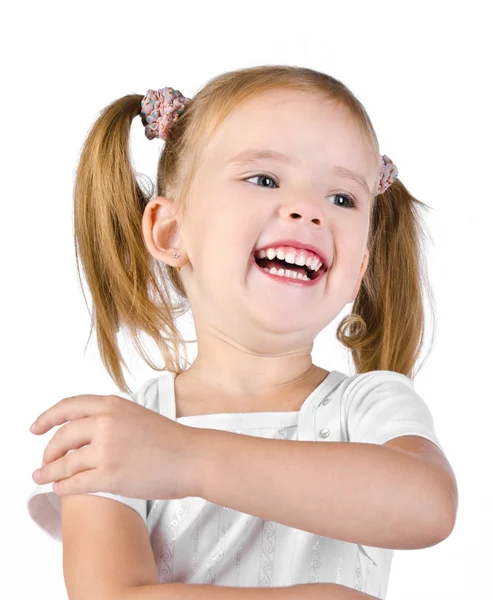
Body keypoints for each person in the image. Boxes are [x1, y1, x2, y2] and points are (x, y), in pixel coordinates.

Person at [26, 65, 454, 598]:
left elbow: (428, 507)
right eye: (264, 179)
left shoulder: (369, 406)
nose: (309, 210)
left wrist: (190, 458)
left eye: (342, 198)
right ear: (169, 229)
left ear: (359, 270)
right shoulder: (118, 439)